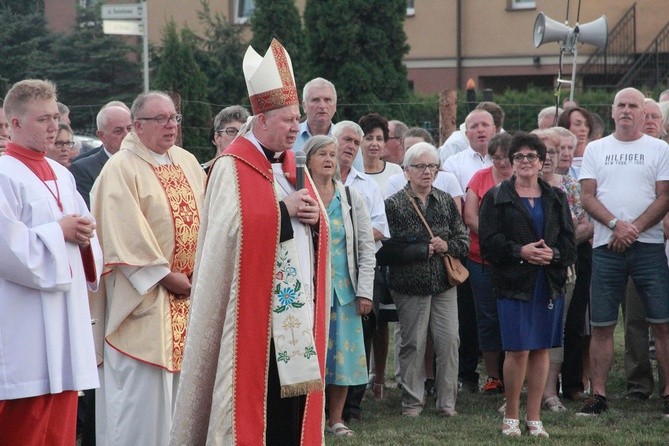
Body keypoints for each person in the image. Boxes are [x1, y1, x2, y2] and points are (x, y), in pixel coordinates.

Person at [170, 39, 331, 446]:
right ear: (260, 119)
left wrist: (314, 220)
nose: (296, 127)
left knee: (291, 406)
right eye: (288, 120)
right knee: (261, 400)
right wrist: (284, 212)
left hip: (294, 311)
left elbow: (315, 225)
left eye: (298, 120)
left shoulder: (293, 164)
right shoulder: (231, 165)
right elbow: (228, 234)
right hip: (252, 315)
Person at [91, 91, 205, 445]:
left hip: (190, 298)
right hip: (145, 301)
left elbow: (210, 218)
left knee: (184, 399)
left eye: (174, 118)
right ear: (137, 127)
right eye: (161, 119)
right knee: (141, 406)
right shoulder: (121, 168)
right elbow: (120, 230)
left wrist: (199, 273)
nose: (171, 125)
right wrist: (165, 276)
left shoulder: (187, 161)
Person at [0, 79, 102, 445]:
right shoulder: (3, 174)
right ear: (14, 124)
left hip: (65, 323)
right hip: (24, 326)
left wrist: (86, 237)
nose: (53, 128)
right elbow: (7, 250)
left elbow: (85, 241)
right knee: (24, 426)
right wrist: (59, 232)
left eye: (55, 118)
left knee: (60, 423)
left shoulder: (62, 174)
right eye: (42, 119)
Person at [577, 87, 669, 418]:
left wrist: (634, 229)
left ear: (645, 114)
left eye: (634, 106)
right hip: (606, 247)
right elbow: (587, 196)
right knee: (602, 324)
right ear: (612, 111)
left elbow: (664, 196)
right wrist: (617, 225)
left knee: (662, 322)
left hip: (648, 247)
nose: (627, 110)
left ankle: (668, 393)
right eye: (622, 105)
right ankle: (598, 394)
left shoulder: (659, 149)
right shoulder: (596, 149)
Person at [479, 132, 576, 437]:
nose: (524, 162)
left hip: (548, 282)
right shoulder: (497, 197)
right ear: (511, 162)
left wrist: (554, 254)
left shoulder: (556, 197)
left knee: (540, 350)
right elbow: (488, 243)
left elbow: (569, 244)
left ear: (540, 161)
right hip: (512, 283)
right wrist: (520, 251)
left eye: (530, 156)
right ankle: (510, 416)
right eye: (518, 156)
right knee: (518, 349)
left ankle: (534, 418)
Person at [383, 142, 469, 417]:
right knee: (413, 343)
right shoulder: (394, 204)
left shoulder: (445, 200)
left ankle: (447, 403)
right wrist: (422, 249)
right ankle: (411, 402)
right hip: (410, 285)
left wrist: (448, 247)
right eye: (420, 166)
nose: (427, 171)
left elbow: (463, 239)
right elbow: (385, 249)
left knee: (449, 341)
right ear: (406, 171)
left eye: (432, 166)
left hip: (444, 283)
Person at [304, 135, 376, 436]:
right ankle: (310, 419)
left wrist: (365, 291)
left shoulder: (348, 197)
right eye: (322, 153)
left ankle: (336, 419)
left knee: (343, 360)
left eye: (333, 154)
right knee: (312, 357)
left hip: (345, 292)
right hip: (310, 292)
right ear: (308, 159)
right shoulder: (299, 194)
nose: (329, 159)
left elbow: (365, 248)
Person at [532, 128, 592, 412]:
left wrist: (557, 251)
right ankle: (525, 391)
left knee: (558, 329)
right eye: (541, 151)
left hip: (563, 268)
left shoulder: (570, 186)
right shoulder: (512, 187)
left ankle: (549, 392)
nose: (547, 157)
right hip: (525, 269)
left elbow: (585, 225)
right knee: (527, 330)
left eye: (553, 152)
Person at [442, 108, 495, 393]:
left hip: (502, 251)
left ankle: (498, 373)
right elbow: (455, 208)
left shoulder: (506, 157)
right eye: (473, 126)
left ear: (495, 129)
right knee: (467, 314)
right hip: (466, 247)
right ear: (466, 133)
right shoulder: (454, 162)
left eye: (485, 125)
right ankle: (467, 374)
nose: (480, 130)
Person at [620, 98, 667, 401]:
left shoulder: (664, 154)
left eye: (655, 116)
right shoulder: (625, 156)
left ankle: (667, 385)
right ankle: (638, 384)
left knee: (664, 323)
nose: (649, 120)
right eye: (644, 114)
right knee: (636, 319)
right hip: (639, 246)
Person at [463, 133, 513, 395]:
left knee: (513, 315)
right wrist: (495, 241)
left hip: (516, 260)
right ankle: (493, 376)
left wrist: (512, 247)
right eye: (496, 157)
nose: (502, 162)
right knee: (487, 317)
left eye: (506, 156)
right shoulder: (480, 178)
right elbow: (470, 216)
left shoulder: (523, 179)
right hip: (481, 259)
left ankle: (514, 373)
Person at [358, 112, 403, 399]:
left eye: (379, 138)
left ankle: (379, 378)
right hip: (364, 254)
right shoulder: (352, 173)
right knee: (367, 317)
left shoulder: (395, 172)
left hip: (390, 252)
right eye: (369, 138)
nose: (374, 144)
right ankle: (361, 375)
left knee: (384, 320)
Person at [69, 104, 132, 209]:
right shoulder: (83, 170)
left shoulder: (144, 162)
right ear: (102, 136)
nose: (127, 135)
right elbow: (90, 214)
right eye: (118, 131)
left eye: (130, 129)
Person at [439, 101, 505, 163]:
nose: (481, 130)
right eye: (475, 125)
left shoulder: (503, 139)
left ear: (494, 128)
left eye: (485, 125)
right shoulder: (453, 146)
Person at [203, 104, 250, 172]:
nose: (239, 137)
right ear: (217, 137)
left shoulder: (253, 173)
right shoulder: (201, 175)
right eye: (232, 131)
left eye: (244, 132)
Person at [557, 106, 594, 176]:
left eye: (587, 125)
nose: (583, 129)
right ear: (565, 127)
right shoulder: (557, 159)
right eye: (577, 124)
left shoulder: (594, 157)